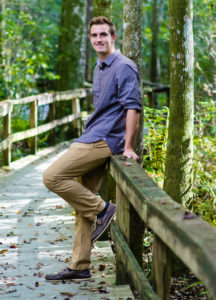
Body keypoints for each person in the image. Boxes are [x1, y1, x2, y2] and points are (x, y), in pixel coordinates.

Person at [43, 16, 141, 282]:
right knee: (81, 198)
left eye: (103, 35)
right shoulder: (100, 66)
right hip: (92, 135)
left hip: (103, 140)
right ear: (90, 39)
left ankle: (102, 210)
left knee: (52, 176)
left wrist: (129, 146)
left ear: (114, 37)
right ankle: (80, 265)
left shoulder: (124, 67)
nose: (99, 39)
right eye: (94, 35)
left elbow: (133, 106)